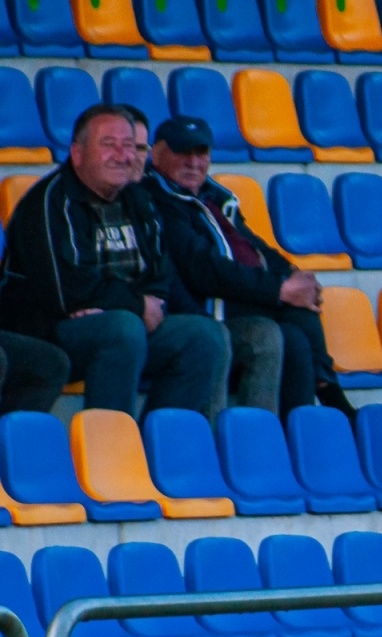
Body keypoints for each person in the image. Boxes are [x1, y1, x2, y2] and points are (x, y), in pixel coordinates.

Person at [0, 104, 228, 419]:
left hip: (122, 322)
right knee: (122, 328)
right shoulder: (51, 201)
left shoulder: (138, 198)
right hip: (48, 333)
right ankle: (109, 443)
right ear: (77, 153)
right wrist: (135, 305)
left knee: (203, 336)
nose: (122, 155)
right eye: (108, 145)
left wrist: (138, 303)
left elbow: (159, 273)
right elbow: (69, 290)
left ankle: (159, 442)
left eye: (128, 146)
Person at [144, 115, 353, 420]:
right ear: (156, 153)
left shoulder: (214, 196)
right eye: (182, 152)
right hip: (204, 305)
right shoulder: (157, 198)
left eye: (201, 153)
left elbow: (253, 245)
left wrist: (293, 274)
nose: (193, 162)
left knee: (294, 339)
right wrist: (280, 289)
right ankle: (328, 393)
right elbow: (202, 268)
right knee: (287, 315)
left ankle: (288, 433)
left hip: (234, 295)